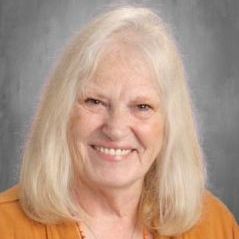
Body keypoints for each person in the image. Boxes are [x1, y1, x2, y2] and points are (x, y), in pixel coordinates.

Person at [0, 5, 238, 239]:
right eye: (95, 102)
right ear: (62, 112)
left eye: (142, 107)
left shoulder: (214, 226)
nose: (115, 129)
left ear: (170, 125)